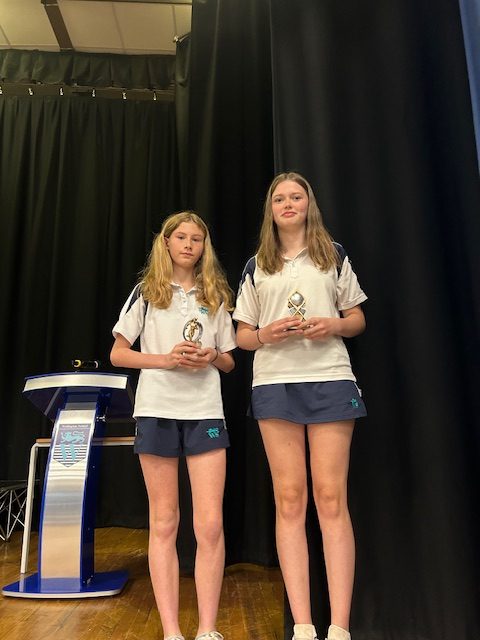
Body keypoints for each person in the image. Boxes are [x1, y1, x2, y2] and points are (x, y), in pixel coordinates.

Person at [233, 173, 367, 640]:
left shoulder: (333, 254)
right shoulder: (256, 265)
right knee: (290, 499)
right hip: (275, 383)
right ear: (270, 210)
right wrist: (265, 334)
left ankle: (340, 627)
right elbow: (241, 336)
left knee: (331, 499)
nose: (288, 204)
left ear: (309, 204)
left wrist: (333, 325)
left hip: (330, 378)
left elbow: (357, 318)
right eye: (279, 198)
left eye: (296, 196)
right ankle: (304, 626)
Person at [111, 211, 236, 640]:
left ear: (204, 246)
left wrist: (210, 357)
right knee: (164, 521)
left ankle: (207, 629)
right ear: (166, 242)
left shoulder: (215, 293)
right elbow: (118, 353)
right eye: (181, 237)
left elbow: (229, 360)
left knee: (210, 525)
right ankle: (171, 631)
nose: (188, 245)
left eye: (196, 239)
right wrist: (165, 360)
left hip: (205, 412)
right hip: (157, 409)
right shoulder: (147, 292)